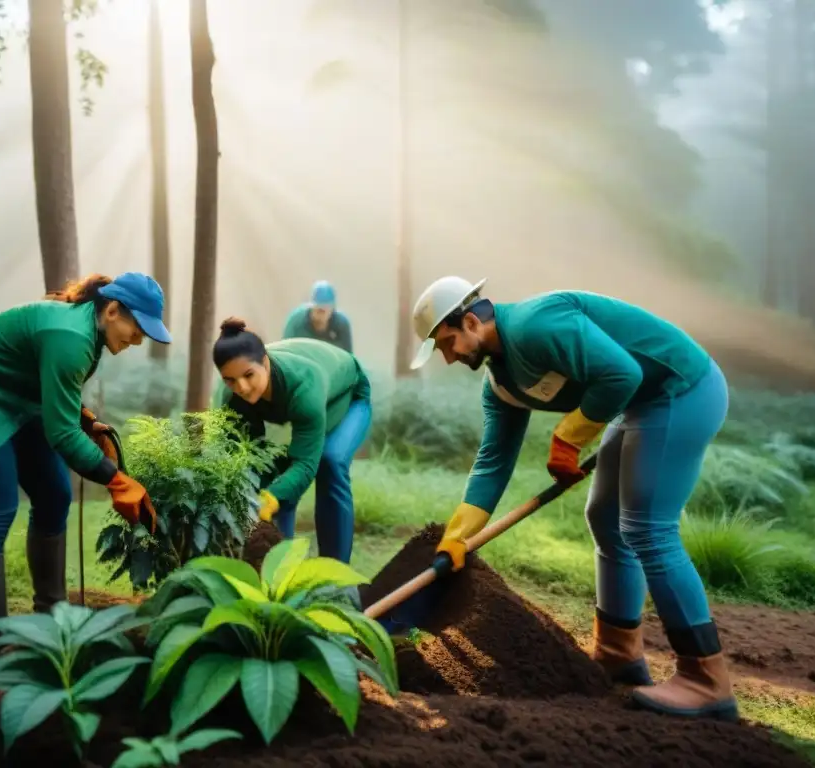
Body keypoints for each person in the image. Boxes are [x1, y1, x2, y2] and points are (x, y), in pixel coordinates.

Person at [409, 276, 738, 723]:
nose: (447, 358)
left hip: (681, 389)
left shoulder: (536, 324)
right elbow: (492, 464)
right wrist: (458, 536)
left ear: (470, 321)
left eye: (446, 344)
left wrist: (568, 437)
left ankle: (705, 679)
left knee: (647, 527)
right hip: (641, 403)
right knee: (605, 518)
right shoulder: (500, 386)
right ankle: (618, 653)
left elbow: (623, 373)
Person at [0, 272, 167, 666]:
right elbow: (61, 435)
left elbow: (54, 387)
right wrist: (116, 479)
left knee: (55, 494)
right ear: (112, 311)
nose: (139, 340)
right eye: (137, 327)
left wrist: (86, 419)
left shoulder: (89, 333)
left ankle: (52, 618)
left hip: (20, 397)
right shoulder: (72, 338)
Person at [212, 318, 371, 564]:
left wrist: (271, 498)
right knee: (274, 476)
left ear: (264, 362)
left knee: (329, 460)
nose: (241, 387)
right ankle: (277, 569)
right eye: (230, 380)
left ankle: (335, 575)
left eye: (248, 375)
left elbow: (306, 464)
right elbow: (245, 461)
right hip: (309, 396)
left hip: (348, 393)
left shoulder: (304, 385)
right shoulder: (232, 398)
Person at [282, 280, 354, 353]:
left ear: (332, 310)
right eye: (317, 310)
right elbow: (285, 352)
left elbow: (349, 358)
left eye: (323, 311)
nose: (320, 317)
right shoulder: (296, 322)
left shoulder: (341, 324)